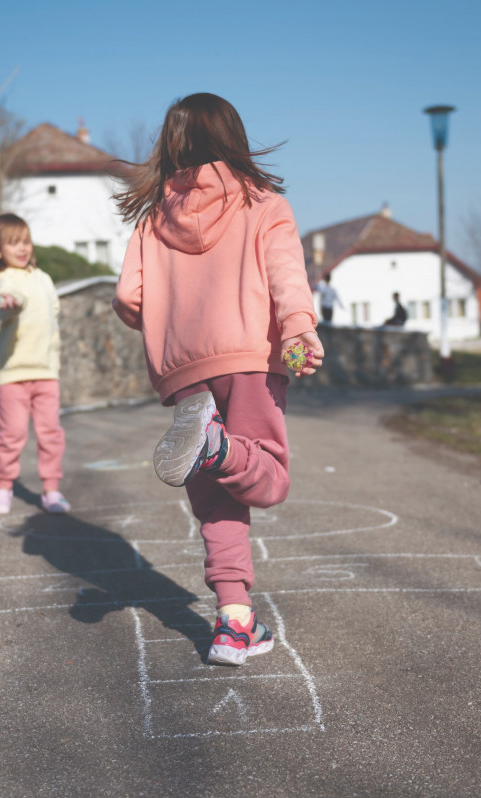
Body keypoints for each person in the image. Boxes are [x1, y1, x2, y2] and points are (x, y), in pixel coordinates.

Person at [112, 93, 324, 666]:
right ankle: (219, 447)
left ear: (171, 146)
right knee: (268, 477)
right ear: (233, 138)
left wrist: (160, 316)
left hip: (186, 373)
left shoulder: (155, 215)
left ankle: (234, 623)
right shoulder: (264, 204)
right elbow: (286, 274)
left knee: (214, 499)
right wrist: (300, 329)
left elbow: (128, 297)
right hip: (250, 355)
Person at [0, 213, 71, 516]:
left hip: (45, 373)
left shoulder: (43, 279)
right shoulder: (1, 281)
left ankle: (51, 490)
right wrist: (10, 302)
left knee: (50, 434)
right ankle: (2, 486)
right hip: (12, 375)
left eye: (26, 241)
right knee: (12, 435)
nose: (22, 248)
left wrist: (53, 361)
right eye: (13, 242)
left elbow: (53, 315)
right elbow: (2, 298)